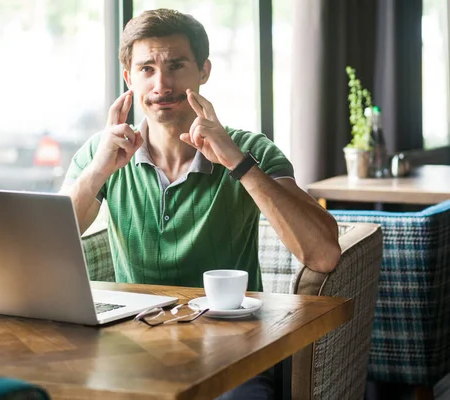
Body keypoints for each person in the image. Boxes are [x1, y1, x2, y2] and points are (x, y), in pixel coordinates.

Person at [61, 8, 341, 399]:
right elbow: (49, 244)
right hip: (132, 347)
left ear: (203, 71)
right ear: (128, 78)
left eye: (176, 66)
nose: (162, 84)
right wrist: (96, 172)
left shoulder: (251, 150)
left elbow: (325, 254)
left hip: (234, 352)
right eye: (146, 69)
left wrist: (237, 163)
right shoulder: (104, 151)